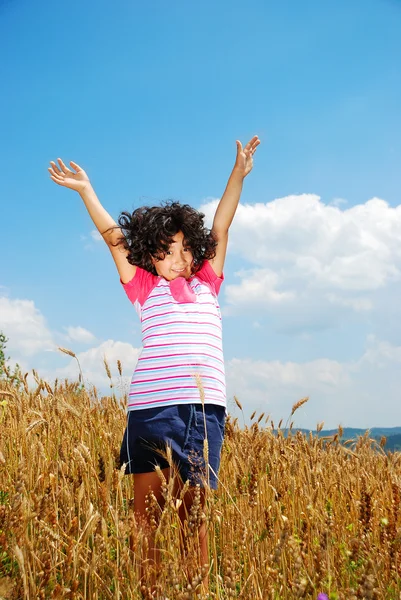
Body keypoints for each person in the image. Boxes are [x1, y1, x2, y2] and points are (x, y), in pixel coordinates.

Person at [48, 135, 260, 590]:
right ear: (151, 252)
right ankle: (149, 590)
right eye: (167, 250)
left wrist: (236, 175)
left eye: (187, 248)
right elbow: (112, 239)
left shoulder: (208, 281)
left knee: (195, 521)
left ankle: (194, 591)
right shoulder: (145, 287)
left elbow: (223, 224)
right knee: (147, 520)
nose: (179, 259)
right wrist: (87, 191)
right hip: (152, 410)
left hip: (205, 414)